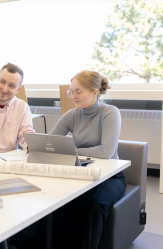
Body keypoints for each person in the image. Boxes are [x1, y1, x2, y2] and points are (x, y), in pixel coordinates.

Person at [49, 70, 126, 249]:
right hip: (82, 174)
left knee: (96, 203)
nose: (73, 96)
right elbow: (50, 143)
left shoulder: (109, 112)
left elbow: (106, 152)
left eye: (78, 91)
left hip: (110, 177)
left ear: (94, 92)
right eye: (71, 91)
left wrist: (72, 150)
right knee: (61, 200)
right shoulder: (72, 115)